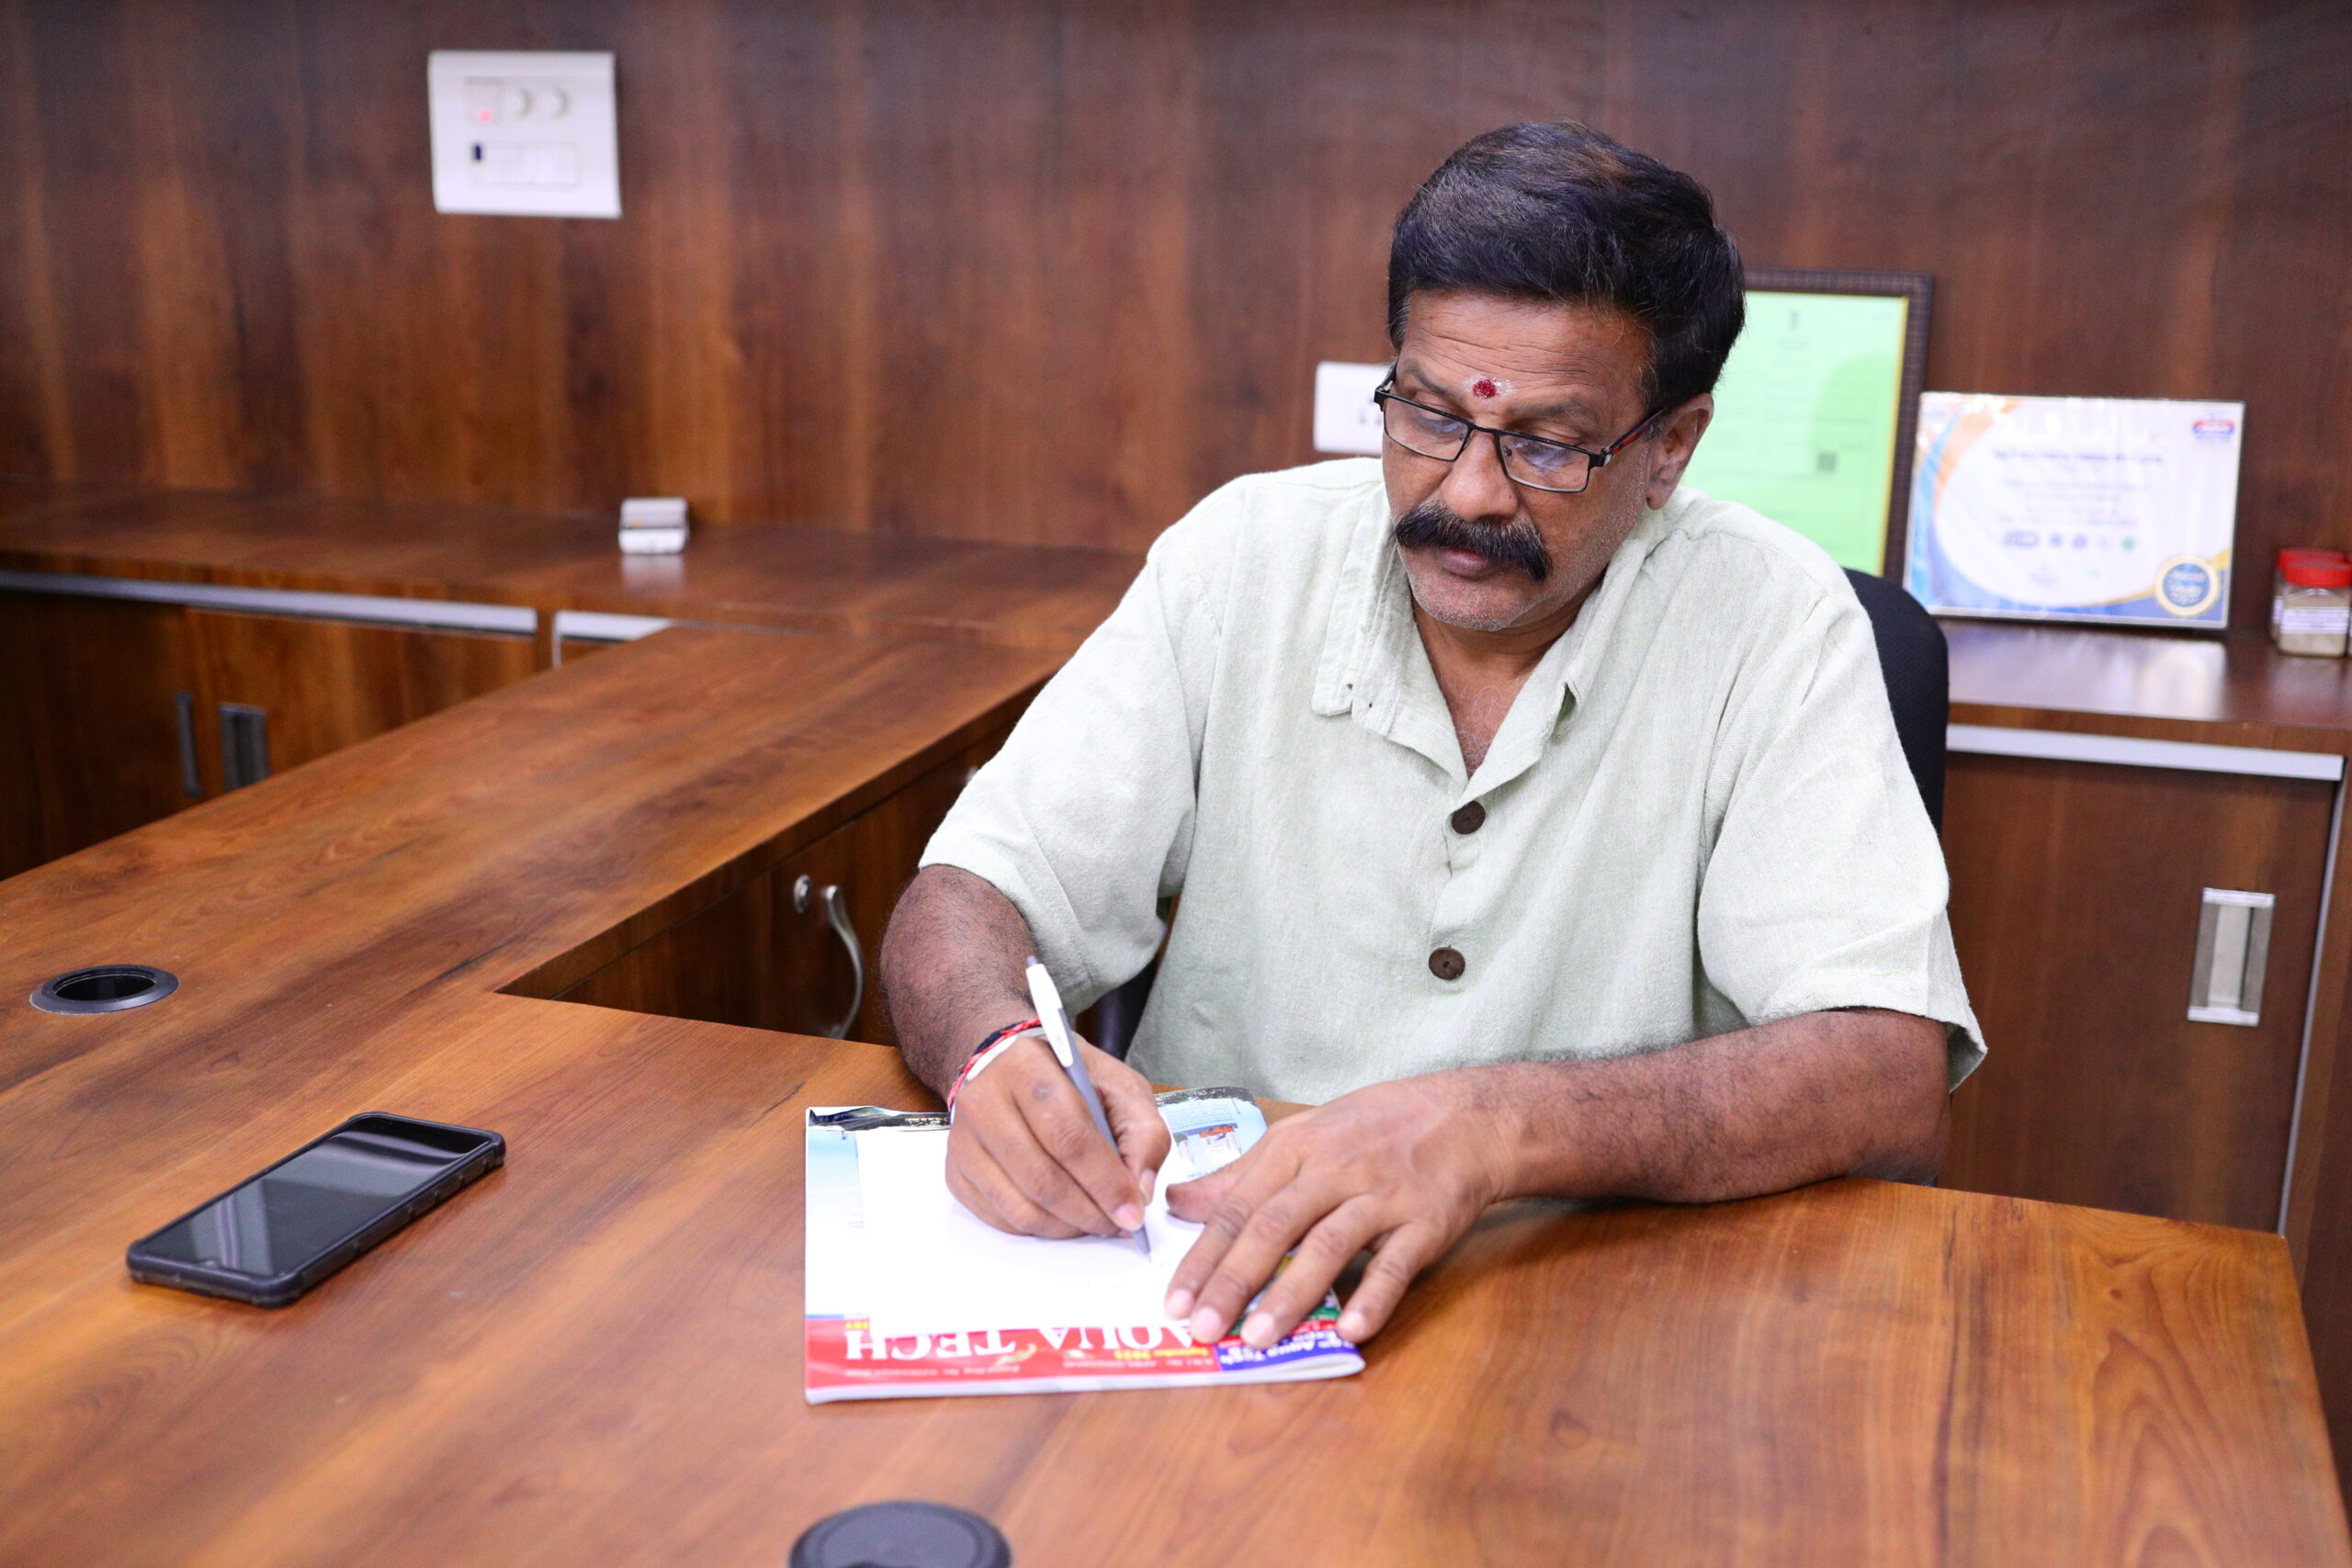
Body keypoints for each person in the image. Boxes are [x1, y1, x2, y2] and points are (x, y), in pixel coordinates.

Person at [878, 120, 1981, 1354]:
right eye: (1428, 415)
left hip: (1594, 1308)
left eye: (1547, 444)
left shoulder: (1772, 620)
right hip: (1210, 1278)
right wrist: (992, 1051)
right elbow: (969, 894)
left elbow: (1883, 1074)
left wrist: (1490, 1127)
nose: (1467, 492)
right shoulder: (1242, 557)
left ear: (1670, 446)